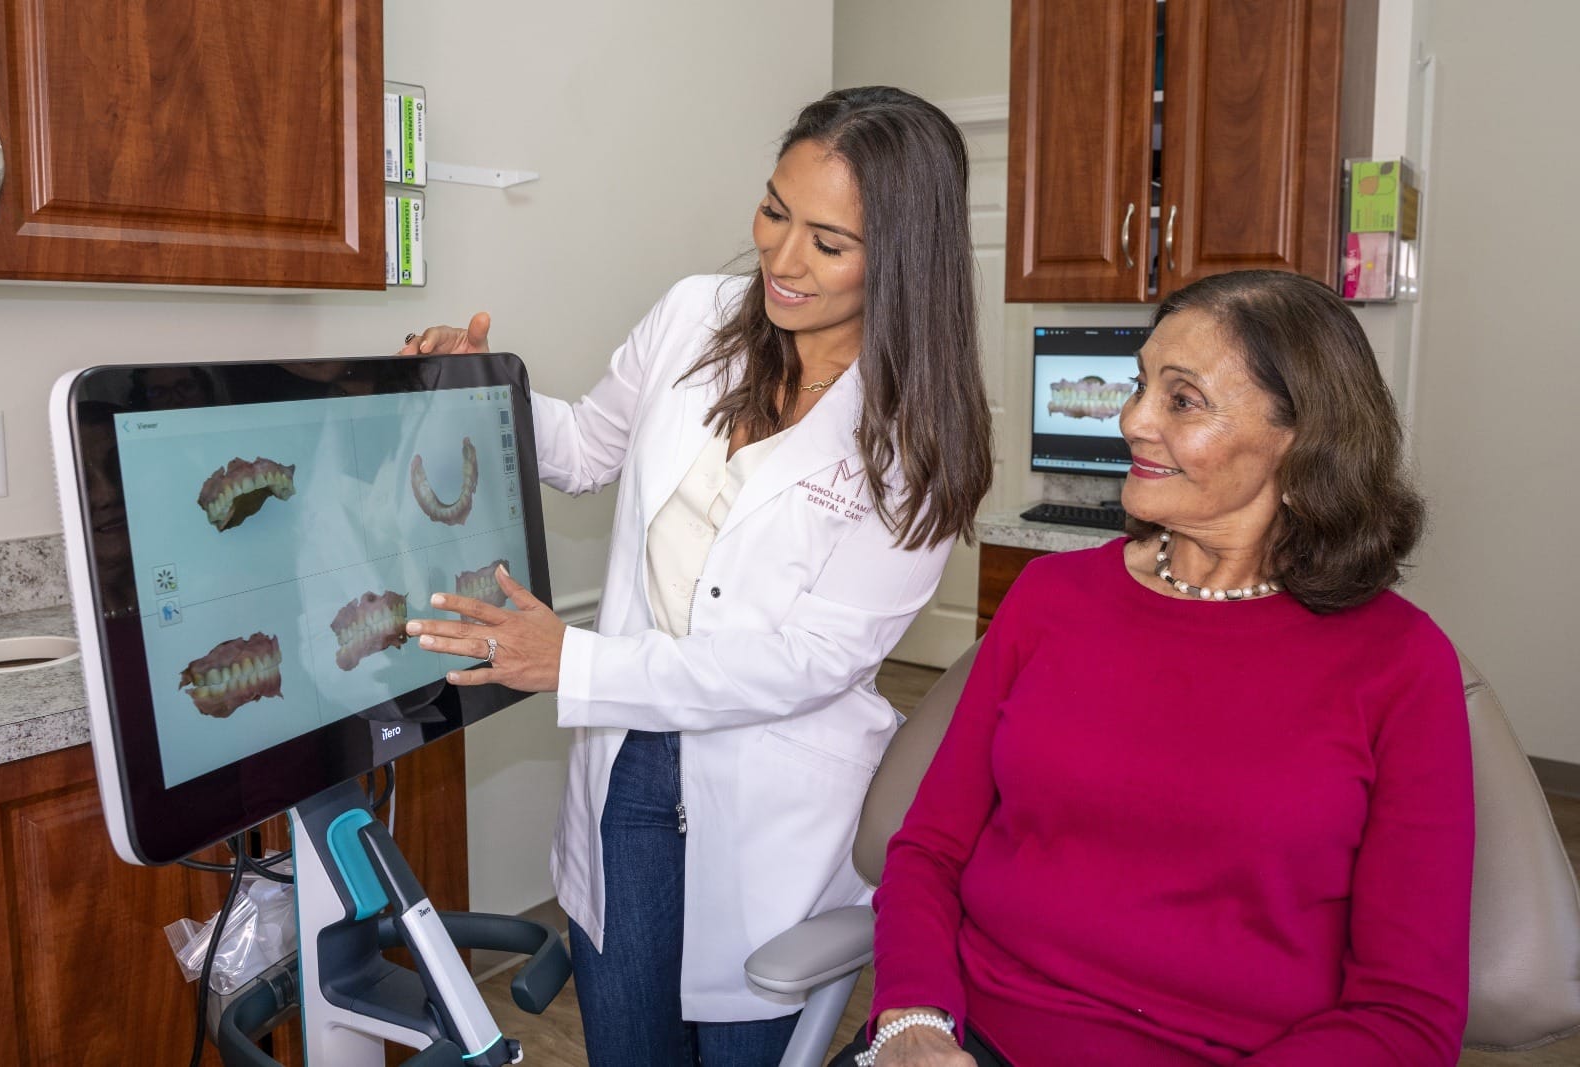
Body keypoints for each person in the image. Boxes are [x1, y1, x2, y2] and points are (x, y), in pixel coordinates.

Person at [400, 86, 993, 1066]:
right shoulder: (695, 316)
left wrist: (572, 660)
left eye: (829, 242)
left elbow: (802, 662)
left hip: (775, 798)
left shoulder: (920, 441)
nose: (781, 258)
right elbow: (588, 445)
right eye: (773, 210)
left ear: (905, 257)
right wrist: (483, 386)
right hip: (628, 763)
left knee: (738, 1043)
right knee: (628, 1041)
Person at [838, 269, 1473, 1067]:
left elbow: (1404, 1016)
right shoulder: (1052, 597)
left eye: (1182, 399)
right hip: (975, 1039)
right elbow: (929, 846)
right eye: (1140, 385)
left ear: (1301, 434)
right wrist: (912, 1022)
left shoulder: (1401, 664)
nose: (1132, 419)